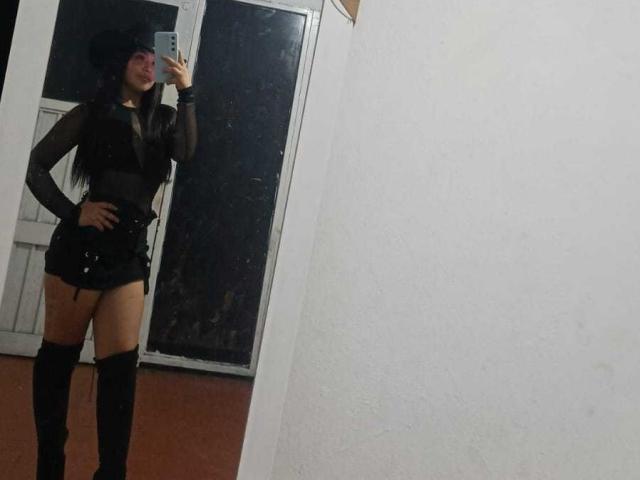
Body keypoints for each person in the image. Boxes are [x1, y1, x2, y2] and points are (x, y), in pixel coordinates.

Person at [27, 24, 197, 480]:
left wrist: (186, 91)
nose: (147, 66)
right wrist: (73, 212)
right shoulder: (92, 113)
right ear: (121, 63)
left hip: (129, 256)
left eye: (154, 60)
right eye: (139, 57)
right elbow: (36, 166)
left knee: (120, 373)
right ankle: (50, 464)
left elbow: (186, 152)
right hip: (79, 254)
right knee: (57, 362)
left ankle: (112, 474)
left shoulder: (164, 120)